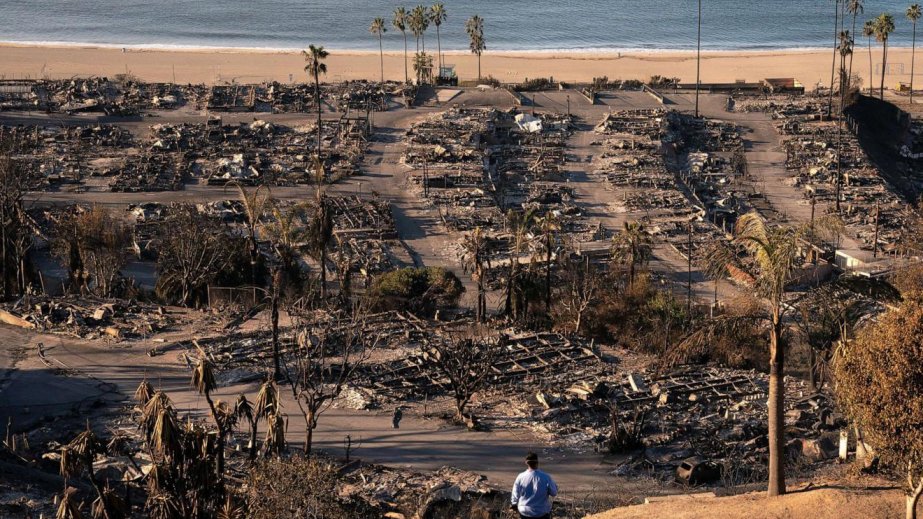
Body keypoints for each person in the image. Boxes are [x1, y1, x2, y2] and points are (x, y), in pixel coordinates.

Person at [511, 452, 558, 519]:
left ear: (526, 463)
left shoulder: (520, 477)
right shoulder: (546, 477)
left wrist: (514, 504)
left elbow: (515, 493)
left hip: (525, 511)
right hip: (541, 512)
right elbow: (554, 493)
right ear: (537, 462)